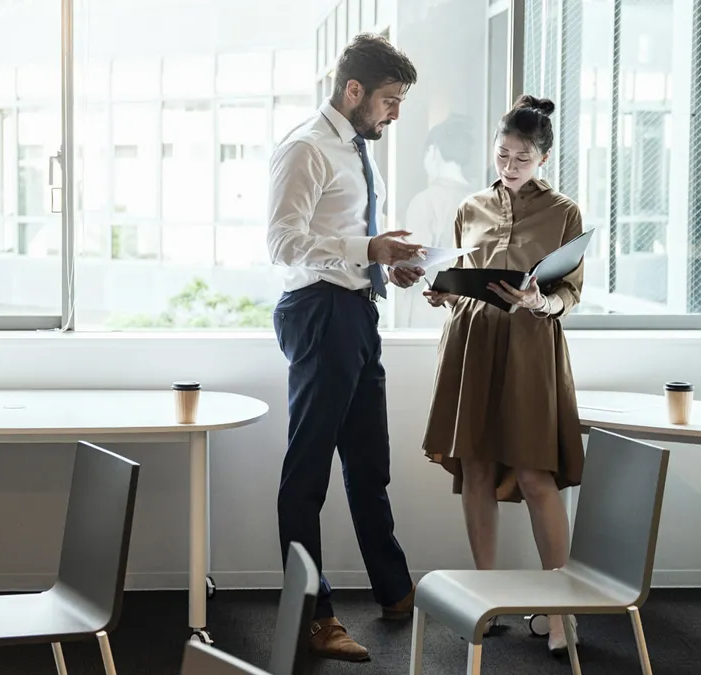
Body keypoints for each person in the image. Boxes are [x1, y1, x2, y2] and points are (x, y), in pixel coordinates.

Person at [265, 33, 425, 663]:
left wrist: (388, 264)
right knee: (307, 475)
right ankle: (313, 615)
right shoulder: (306, 147)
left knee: (369, 465)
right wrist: (368, 251)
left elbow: (347, 236)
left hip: (357, 309)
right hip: (319, 312)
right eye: (389, 99)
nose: (395, 112)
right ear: (352, 90)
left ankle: (393, 590)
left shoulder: (357, 149)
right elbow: (283, 243)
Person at [421, 94, 586, 657]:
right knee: (476, 473)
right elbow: (465, 278)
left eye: (520, 157)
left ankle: (561, 613)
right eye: (502, 155)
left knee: (537, 477)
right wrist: (443, 293)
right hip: (471, 344)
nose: (509, 166)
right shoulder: (469, 207)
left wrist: (541, 302)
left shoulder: (564, 212)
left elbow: (569, 294)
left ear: (541, 157)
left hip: (530, 348)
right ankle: (485, 599)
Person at [395, 114, 477, 329]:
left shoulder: (426, 201)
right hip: (468, 312)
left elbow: (412, 266)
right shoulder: (479, 200)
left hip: (428, 314)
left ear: (432, 152)